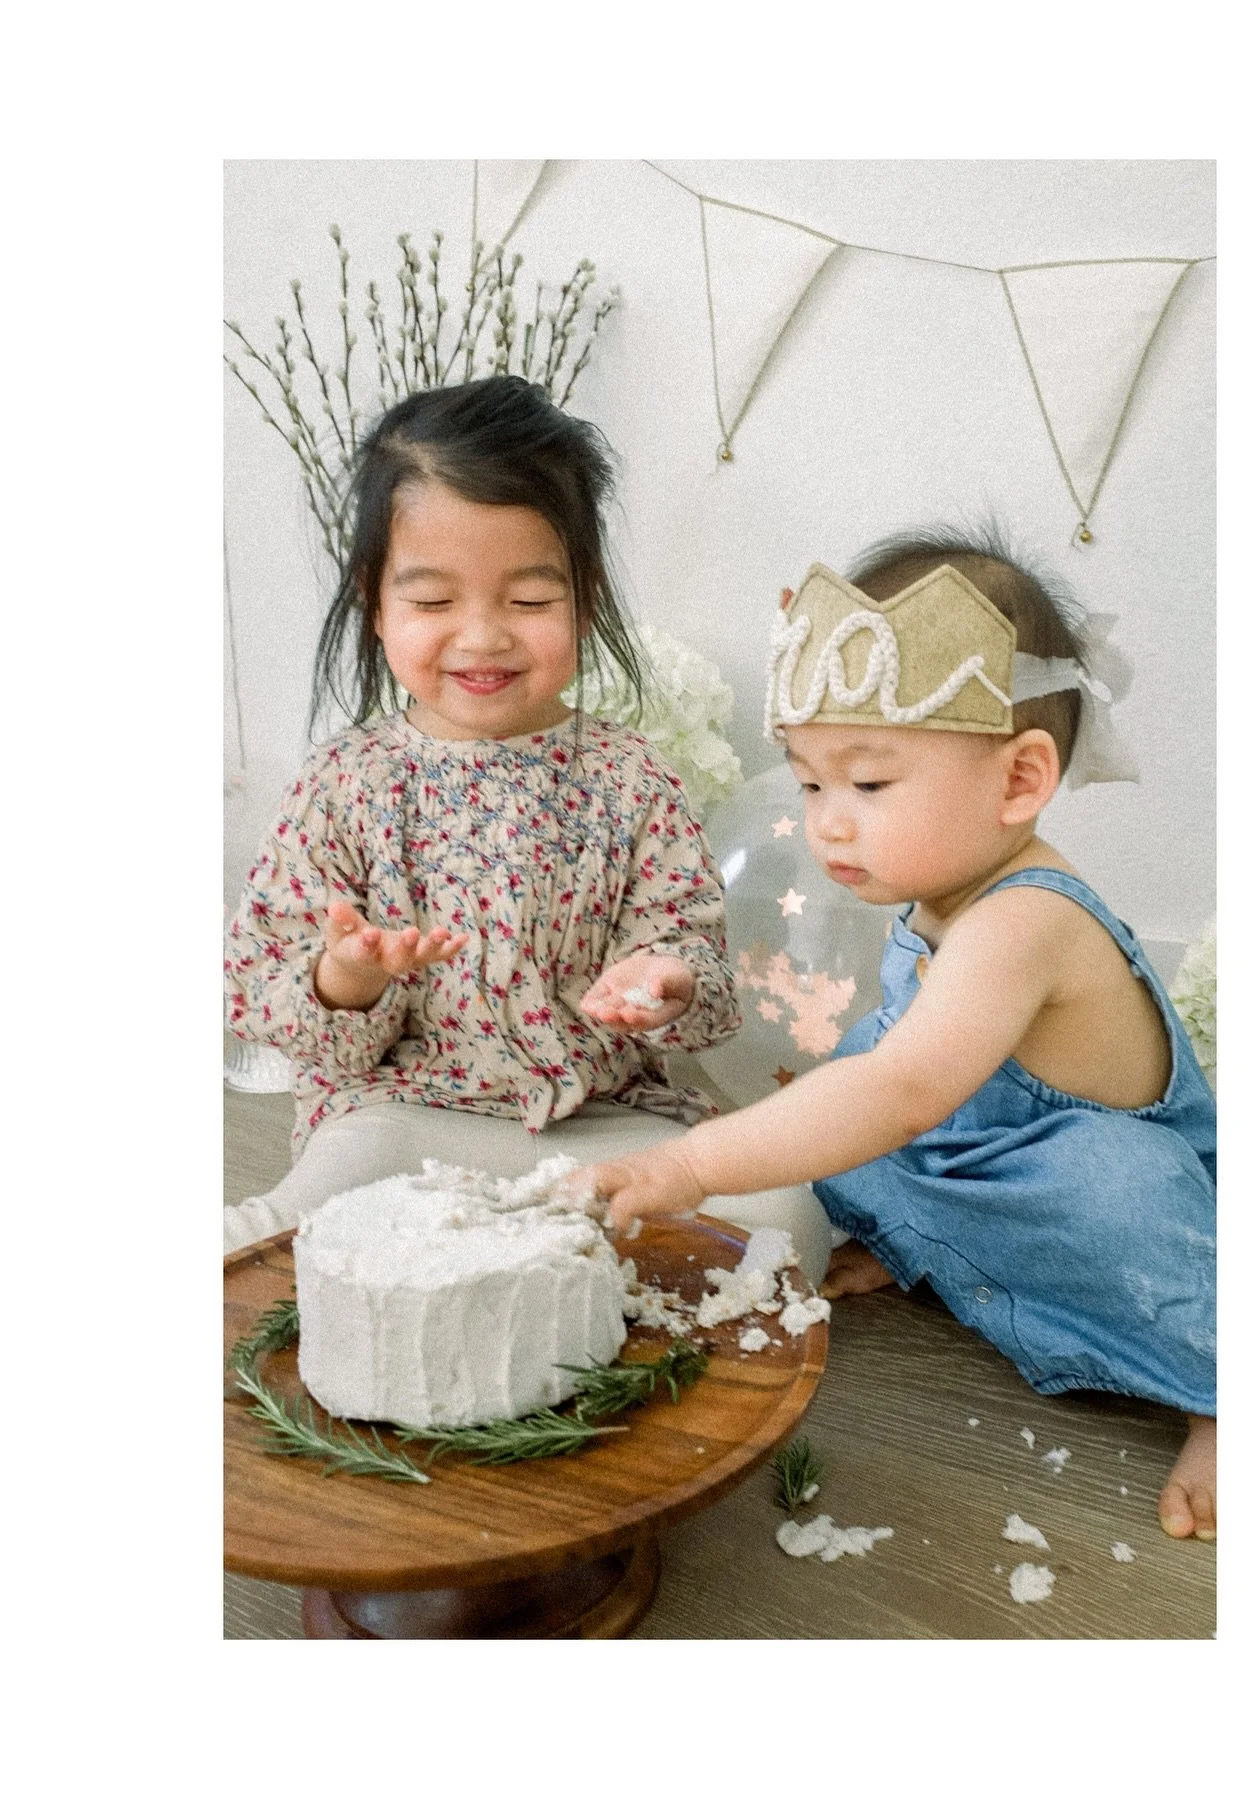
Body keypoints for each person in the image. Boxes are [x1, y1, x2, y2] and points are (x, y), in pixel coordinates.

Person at [583, 531, 1218, 1542]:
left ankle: (1222, 1391)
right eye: (810, 783)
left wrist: (694, 1163)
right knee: (843, 1105)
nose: (829, 823)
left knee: (1102, 1192)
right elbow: (899, 1078)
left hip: (1082, 1173)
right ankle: (926, 1240)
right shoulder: (942, 888)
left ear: (1019, 781)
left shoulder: (1024, 919)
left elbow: (904, 1091)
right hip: (973, 1143)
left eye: (869, 785)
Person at [223, 376, 831, 1281]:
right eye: (433, 602)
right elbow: (266, 994)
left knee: (790, 1219)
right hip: (404, 1123)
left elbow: (697, 968)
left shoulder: (630, 778)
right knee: (296, 1218)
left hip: (606, 1126)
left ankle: (520, 1269)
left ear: (585, 598)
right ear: (375, 603)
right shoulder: (344, 784)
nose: (482, 636)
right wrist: (346, 978)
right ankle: (524, 1268)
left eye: (529, 600)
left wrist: (667, 981)